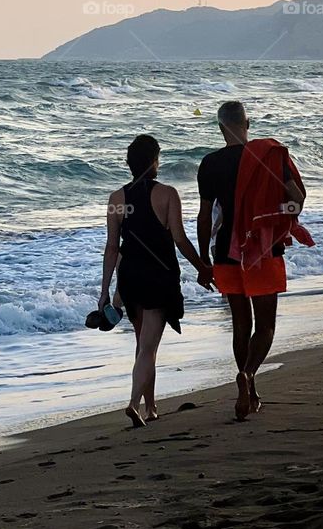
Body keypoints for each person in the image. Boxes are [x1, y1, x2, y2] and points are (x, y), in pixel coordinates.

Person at [198, 100, 308, 421]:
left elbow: (204, 217)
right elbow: (297, 199)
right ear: (248, 123)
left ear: (221, 128)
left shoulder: (209, 163)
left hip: (225, 253)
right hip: (261, 249)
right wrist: (281, 215)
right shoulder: (270, 155)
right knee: (266, 326)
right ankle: (247, 375)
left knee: (241, 324)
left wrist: (204, 258)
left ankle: (251, 389)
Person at [99, 135, 214, 428]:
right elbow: (179, 239)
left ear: (129, 164)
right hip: (158, 276)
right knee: (148, 347)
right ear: (154, 161)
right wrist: (202, 266)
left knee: (143, 345)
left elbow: (112, 248)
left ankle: (150, 406)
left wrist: (104, 292)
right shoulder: (168, 194)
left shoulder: (116, 199)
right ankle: (133, 404)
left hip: (130, 278)